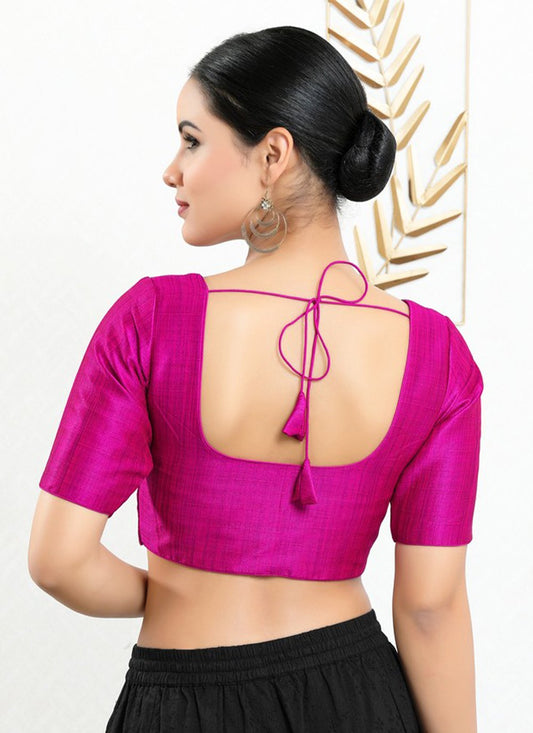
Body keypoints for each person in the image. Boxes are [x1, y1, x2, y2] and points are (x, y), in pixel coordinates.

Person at [28, 26, 483, 733]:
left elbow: (59, 562)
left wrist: (176, 593)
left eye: (191, 140)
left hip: (184, 704)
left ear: (273, 154)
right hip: (360, 697)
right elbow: (430, 605)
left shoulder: (151, 322)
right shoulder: (439, 355)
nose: (172, 171)